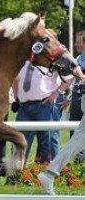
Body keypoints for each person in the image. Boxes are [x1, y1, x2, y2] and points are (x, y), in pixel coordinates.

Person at [38, 30, 85, 195]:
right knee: (77, 141)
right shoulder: (81, 58)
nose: (77, 44)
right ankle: (50, 174)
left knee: (77, 141)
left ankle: (49, 174)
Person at [68, 30, 85, 162]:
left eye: (78, 42)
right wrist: (68, 99)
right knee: (74, 129)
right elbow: (73, 81)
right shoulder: (78, 59)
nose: (75, 44)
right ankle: (77, 161)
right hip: (76, 96)